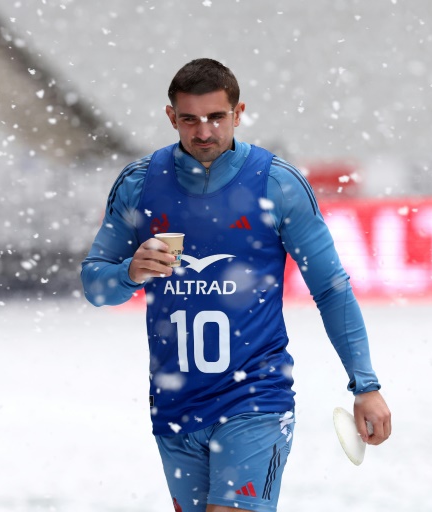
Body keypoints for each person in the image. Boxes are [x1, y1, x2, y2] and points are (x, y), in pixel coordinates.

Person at [81, 58, 391, 512]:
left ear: (238, 113)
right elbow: (94, 286)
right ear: (171, 117)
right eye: (189, 119)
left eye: (215, 118)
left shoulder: (277, 184)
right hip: (175, 405)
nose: (203, 131)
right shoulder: (140, 184)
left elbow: (331, 288)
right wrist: (129, 271)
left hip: (255, 399)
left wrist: (365, 384)